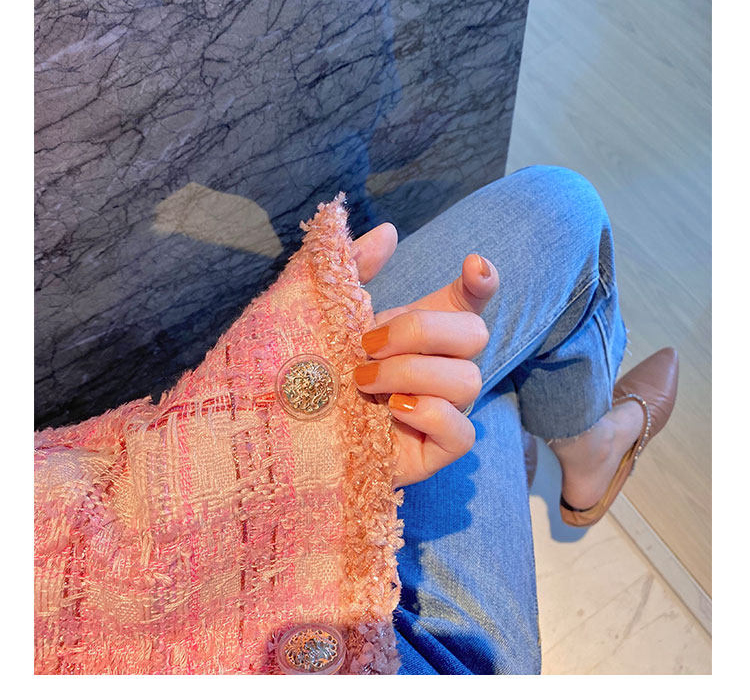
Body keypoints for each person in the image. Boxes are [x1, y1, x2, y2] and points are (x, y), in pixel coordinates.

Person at [34, 164, 678, 675]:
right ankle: (588, 446)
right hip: (396, 658)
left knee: (459, 360)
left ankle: (546, 436)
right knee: (558, 221)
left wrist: (254, 448)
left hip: (124, 504)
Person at [356, 164, 678, 674]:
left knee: (553, 220)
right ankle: (589, 446)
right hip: (420, 653)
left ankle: (558, 441)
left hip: (236, 475)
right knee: (562, 223)